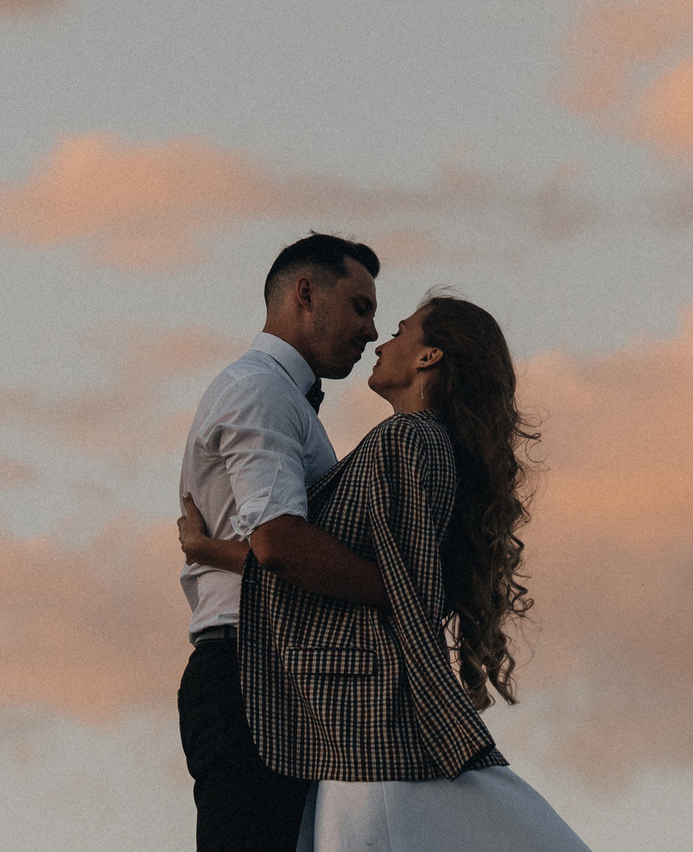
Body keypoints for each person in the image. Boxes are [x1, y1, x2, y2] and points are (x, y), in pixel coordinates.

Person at [180, 294, 591, 851]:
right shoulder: (420, 443)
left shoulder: (407, 439)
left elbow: (389, 583)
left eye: (399, 331)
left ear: (428, 357)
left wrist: (209, 549)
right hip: (353, 719)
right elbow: (365, 570)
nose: (380, 341)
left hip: (369, 721)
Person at [178, 233, 385, 852]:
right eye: (360, 307)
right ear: (306, 294)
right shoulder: (261, 392)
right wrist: (398, 592)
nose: (371, 331)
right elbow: (281, 545)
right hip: (251, 673)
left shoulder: (277, 396)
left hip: (273, 670)